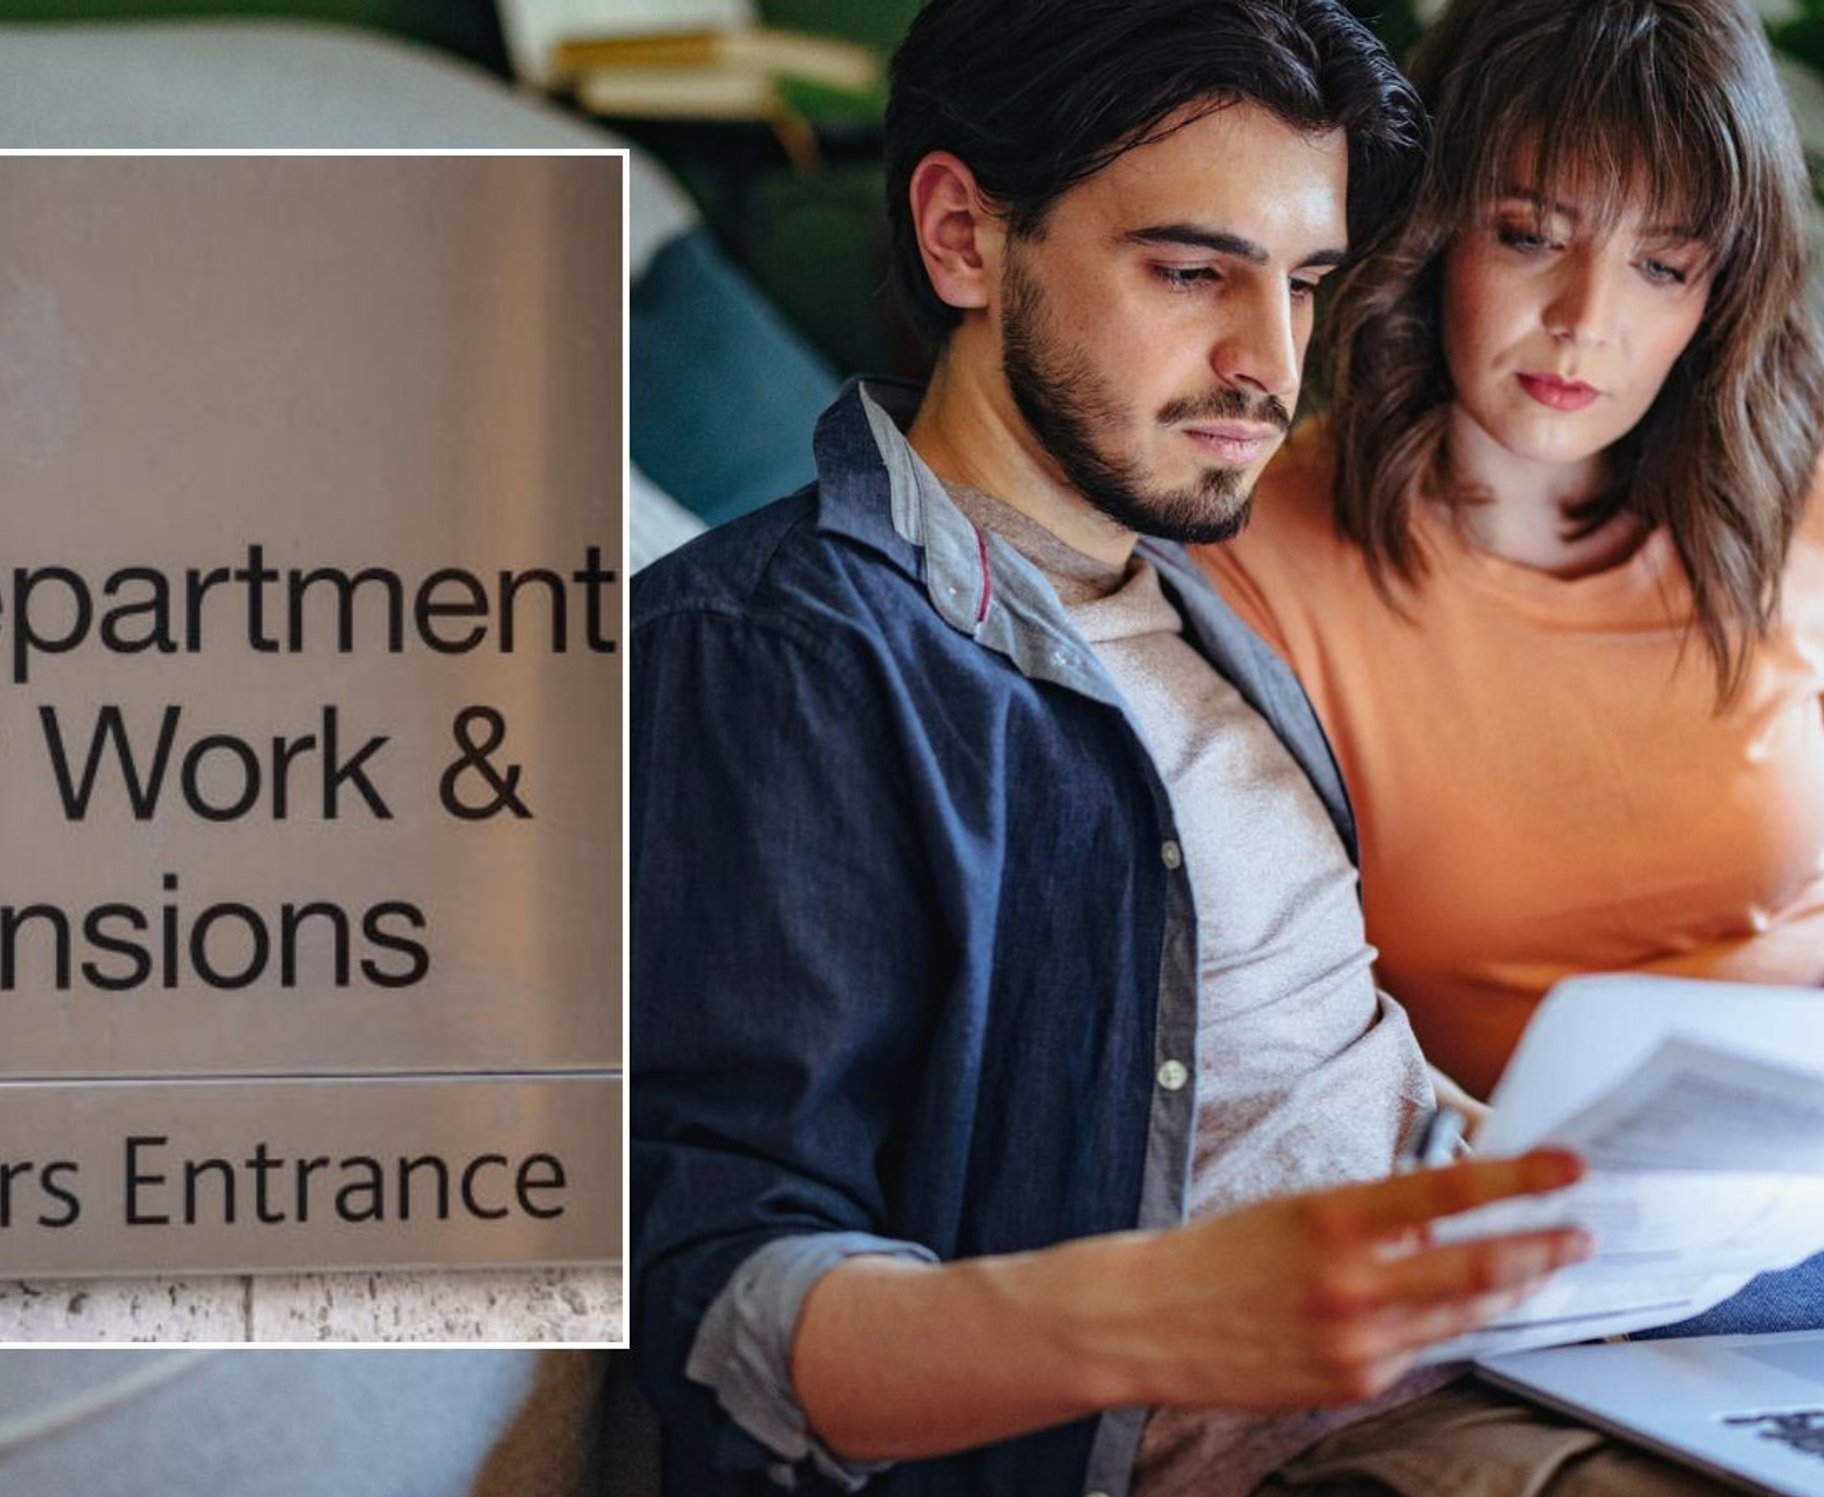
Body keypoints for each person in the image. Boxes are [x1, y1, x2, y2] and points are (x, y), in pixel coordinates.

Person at [631, 2, 1750, 1493]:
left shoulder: (1184, 600)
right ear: (962, 236)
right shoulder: (783, 652)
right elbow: (720, 1303)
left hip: (1545, 1337)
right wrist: (1161, 1316)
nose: (1269, 363)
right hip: (1354, 1446)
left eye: (1304, 282)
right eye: (1189, 271)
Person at [1195, 0, 1824, 1107]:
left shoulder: (1795, 489)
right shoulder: (1253, 555)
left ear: (1720, 291)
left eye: (1662, 265)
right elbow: (1273, 1039)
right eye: (1529, 236)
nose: (1585, 319)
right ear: (1430, 230)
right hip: (1494, 1176)